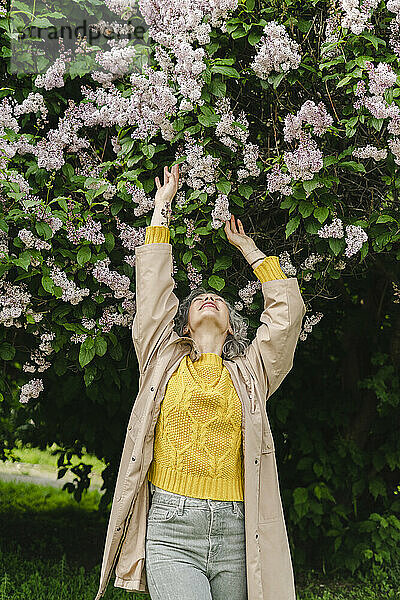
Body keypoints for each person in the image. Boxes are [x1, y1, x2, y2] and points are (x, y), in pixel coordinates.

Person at [142, 163, 292, 600]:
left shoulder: (251, 372)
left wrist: (249, 250)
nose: (210, 298)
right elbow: (152, 292)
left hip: (237, 532)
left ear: (232, 326)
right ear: (184, 324)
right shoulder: (161, 360)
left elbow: (284, 321)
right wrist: (161, 207)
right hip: (171, 528)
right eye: (199, 299)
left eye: (220, 301)